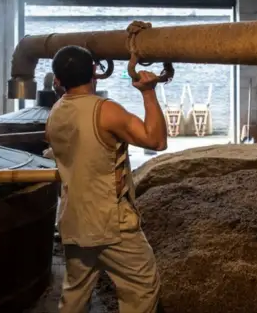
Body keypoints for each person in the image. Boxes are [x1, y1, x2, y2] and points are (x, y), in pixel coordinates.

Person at [45, 45, 167, 313]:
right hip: (109, 222)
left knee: (74, 295)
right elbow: (156, 140)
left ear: (57, 80)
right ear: (94, 72)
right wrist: (148, 92)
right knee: (141, 286)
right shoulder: (105, 111)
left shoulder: (54, 114)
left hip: (73, 219)